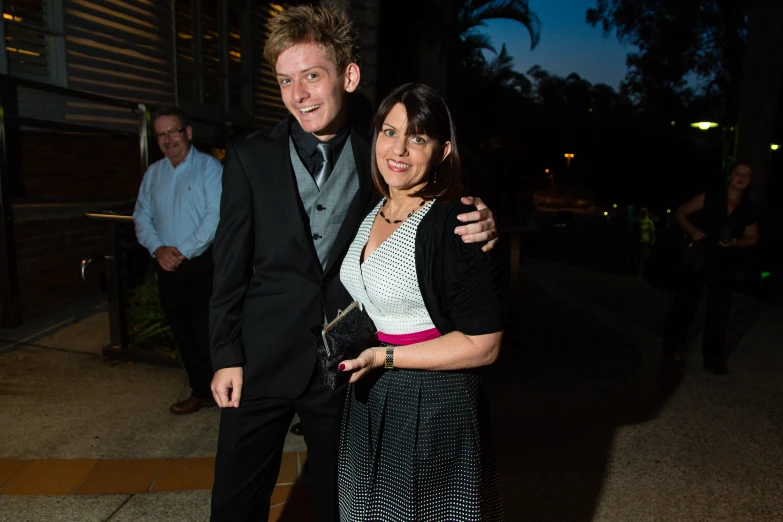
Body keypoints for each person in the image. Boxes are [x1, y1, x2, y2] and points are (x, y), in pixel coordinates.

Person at [207, 6, 498, 521]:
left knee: (340, 501)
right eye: (285, 81)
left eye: (312, 76)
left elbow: (431, 202)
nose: (299, 94)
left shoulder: (384, 152)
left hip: (345, 366)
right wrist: (226, 353)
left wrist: (482, 218)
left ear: (348, 75)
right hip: (260, 358)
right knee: (234, 501)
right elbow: (228, 266)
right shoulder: (250, 157)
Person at [337, 83, 504, 521]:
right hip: (372, 391)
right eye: (389, 132)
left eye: (417, 138)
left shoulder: (457, 221)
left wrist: (386, 357)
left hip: (433, 400)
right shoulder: (372, 206)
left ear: (443, 150)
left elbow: (484, 344)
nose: (399, 149)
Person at [132, 106, 222, 414]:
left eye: (173, 131)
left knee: (211, 330)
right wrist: (158, 249)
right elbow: (141, 215)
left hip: (202, 263)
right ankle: (199, 390)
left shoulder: (210, 168)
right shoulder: (154, 173)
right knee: (183, 330)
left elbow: (215, 217)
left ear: (188, 133)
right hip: (167, 264)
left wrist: (181, 250)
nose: (168, 139)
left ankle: (226, 390)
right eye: (161, 134)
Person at [662, 163, 759, 374]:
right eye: (738, 174)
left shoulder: (748, 208)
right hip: (700, 256)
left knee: (720, 310)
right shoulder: (710, 197)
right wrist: (693, 231)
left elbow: (753, 236)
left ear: (750, 180)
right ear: (730, 176)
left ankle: (712, 358)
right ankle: (671, 348)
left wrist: (736, 243)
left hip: (726, 262)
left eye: (747, 175)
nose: (741, 178)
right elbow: (681, 212)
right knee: (685, 304)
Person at [637, 207, 655, 275]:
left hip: (646, 241)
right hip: (642, 241)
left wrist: (653, 240)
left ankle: (643, 270)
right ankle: (641, 270)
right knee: (642, 256)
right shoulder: (641, 221)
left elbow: (652, 232)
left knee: (644, 256)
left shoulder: (648, 222)